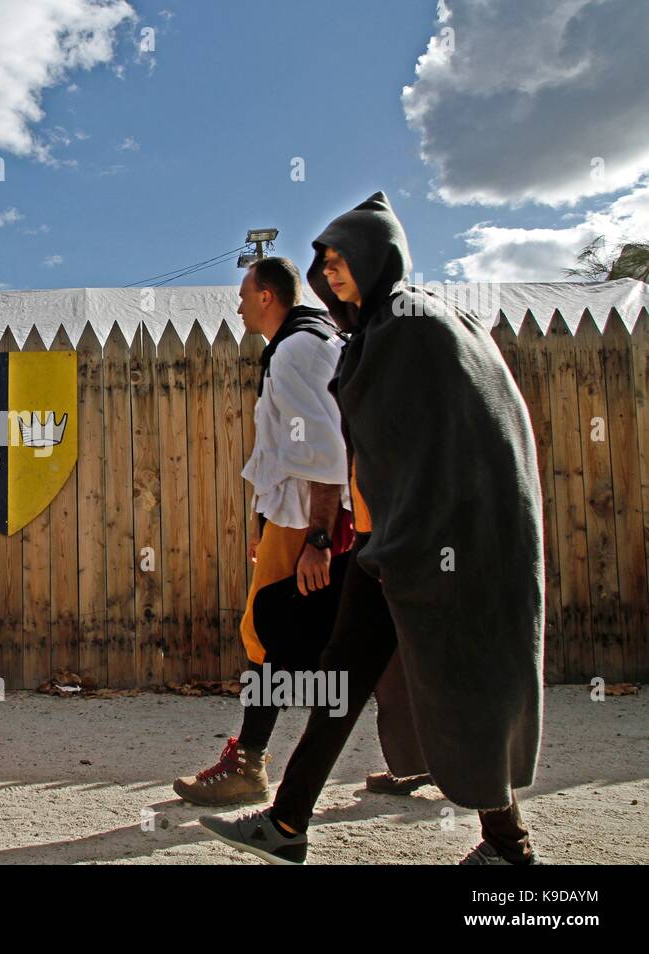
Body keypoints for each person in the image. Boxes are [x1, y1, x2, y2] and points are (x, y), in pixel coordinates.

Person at [200, 192, 544, 864]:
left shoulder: (412, 327)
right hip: (400, 539)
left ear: (376, 259)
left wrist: (333, 534)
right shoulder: (388, 329)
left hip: (437, 542)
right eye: (323, 263)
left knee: (462, 676)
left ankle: (509, 844)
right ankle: (289, 821)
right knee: (346, 673)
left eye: (341, 261)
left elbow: (454, 440)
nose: (330, 274)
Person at [173, 256, 428, 807]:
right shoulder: (315, 340)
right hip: (317, 518)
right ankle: (421, 757)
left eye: (244, 293)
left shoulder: (296, 350)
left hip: (313, 522)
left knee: (267, 636)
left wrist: (315, 540)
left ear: (268, 296)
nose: (238, 304)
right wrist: (265, 525)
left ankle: (247, 764)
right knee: (380, 638)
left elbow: (325, 453)